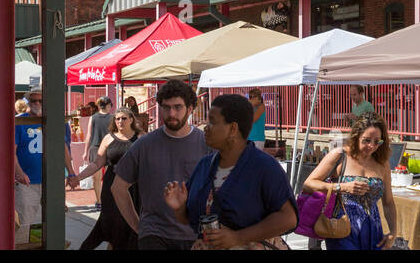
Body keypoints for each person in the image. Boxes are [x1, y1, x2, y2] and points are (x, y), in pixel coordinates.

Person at [163, 93, 296, 250]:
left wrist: (238, 237)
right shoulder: (205, 166)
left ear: (233, 128)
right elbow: (190, 220)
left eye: (212, 122)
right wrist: (180, 208)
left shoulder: (264, 166)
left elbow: (288, 218)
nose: (206, 127)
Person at [114, 79, 210, 250]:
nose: (171, 113)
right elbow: (118, 187)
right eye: (166, 107)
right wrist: (139, 228)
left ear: (189, 109)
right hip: (155, 234)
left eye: (178, 107)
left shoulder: (207, 143)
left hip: (196, 235)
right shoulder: (144, 144)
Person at [303, 113, 397, 250]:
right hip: (342, 228)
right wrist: (341, 187)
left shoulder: (382, 163)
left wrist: (393, 233)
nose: (371, 146)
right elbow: (308, 184)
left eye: (377, 141)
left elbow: (388, 202)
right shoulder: (340, 155)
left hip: (373, 230)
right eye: (366, 140)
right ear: (356, 136)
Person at [79, 105, 146, 250]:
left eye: (123, 118)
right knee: (111, 221)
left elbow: (150, 162)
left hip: (133, 187)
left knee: (129, 223)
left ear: (131, 120)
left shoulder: (141, 138)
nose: (120, 121)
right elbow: (97, 163)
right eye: (117, 119)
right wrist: (78, 177)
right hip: (111, 185)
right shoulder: (108, 138)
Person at [14, 90, 79, 228]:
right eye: (34, 101)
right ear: (28, 103)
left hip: (51, 181)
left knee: (54, 223)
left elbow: (63, 148)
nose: (37, 103)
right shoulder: (20, 121)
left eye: (41, 101)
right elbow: (11, 152)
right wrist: (19, 172)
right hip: (27, 183)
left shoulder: (54, 121)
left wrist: (71, 172)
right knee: (24, 223)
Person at [88, 98, 114, 207]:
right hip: (109, 148)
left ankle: (99, 201)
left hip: (95, 147)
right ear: (108, 105)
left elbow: (89, 135)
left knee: (96, 177)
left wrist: (85, 151)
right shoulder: (113, 118)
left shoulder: (92, 117)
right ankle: (107, 200)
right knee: (108, 177)